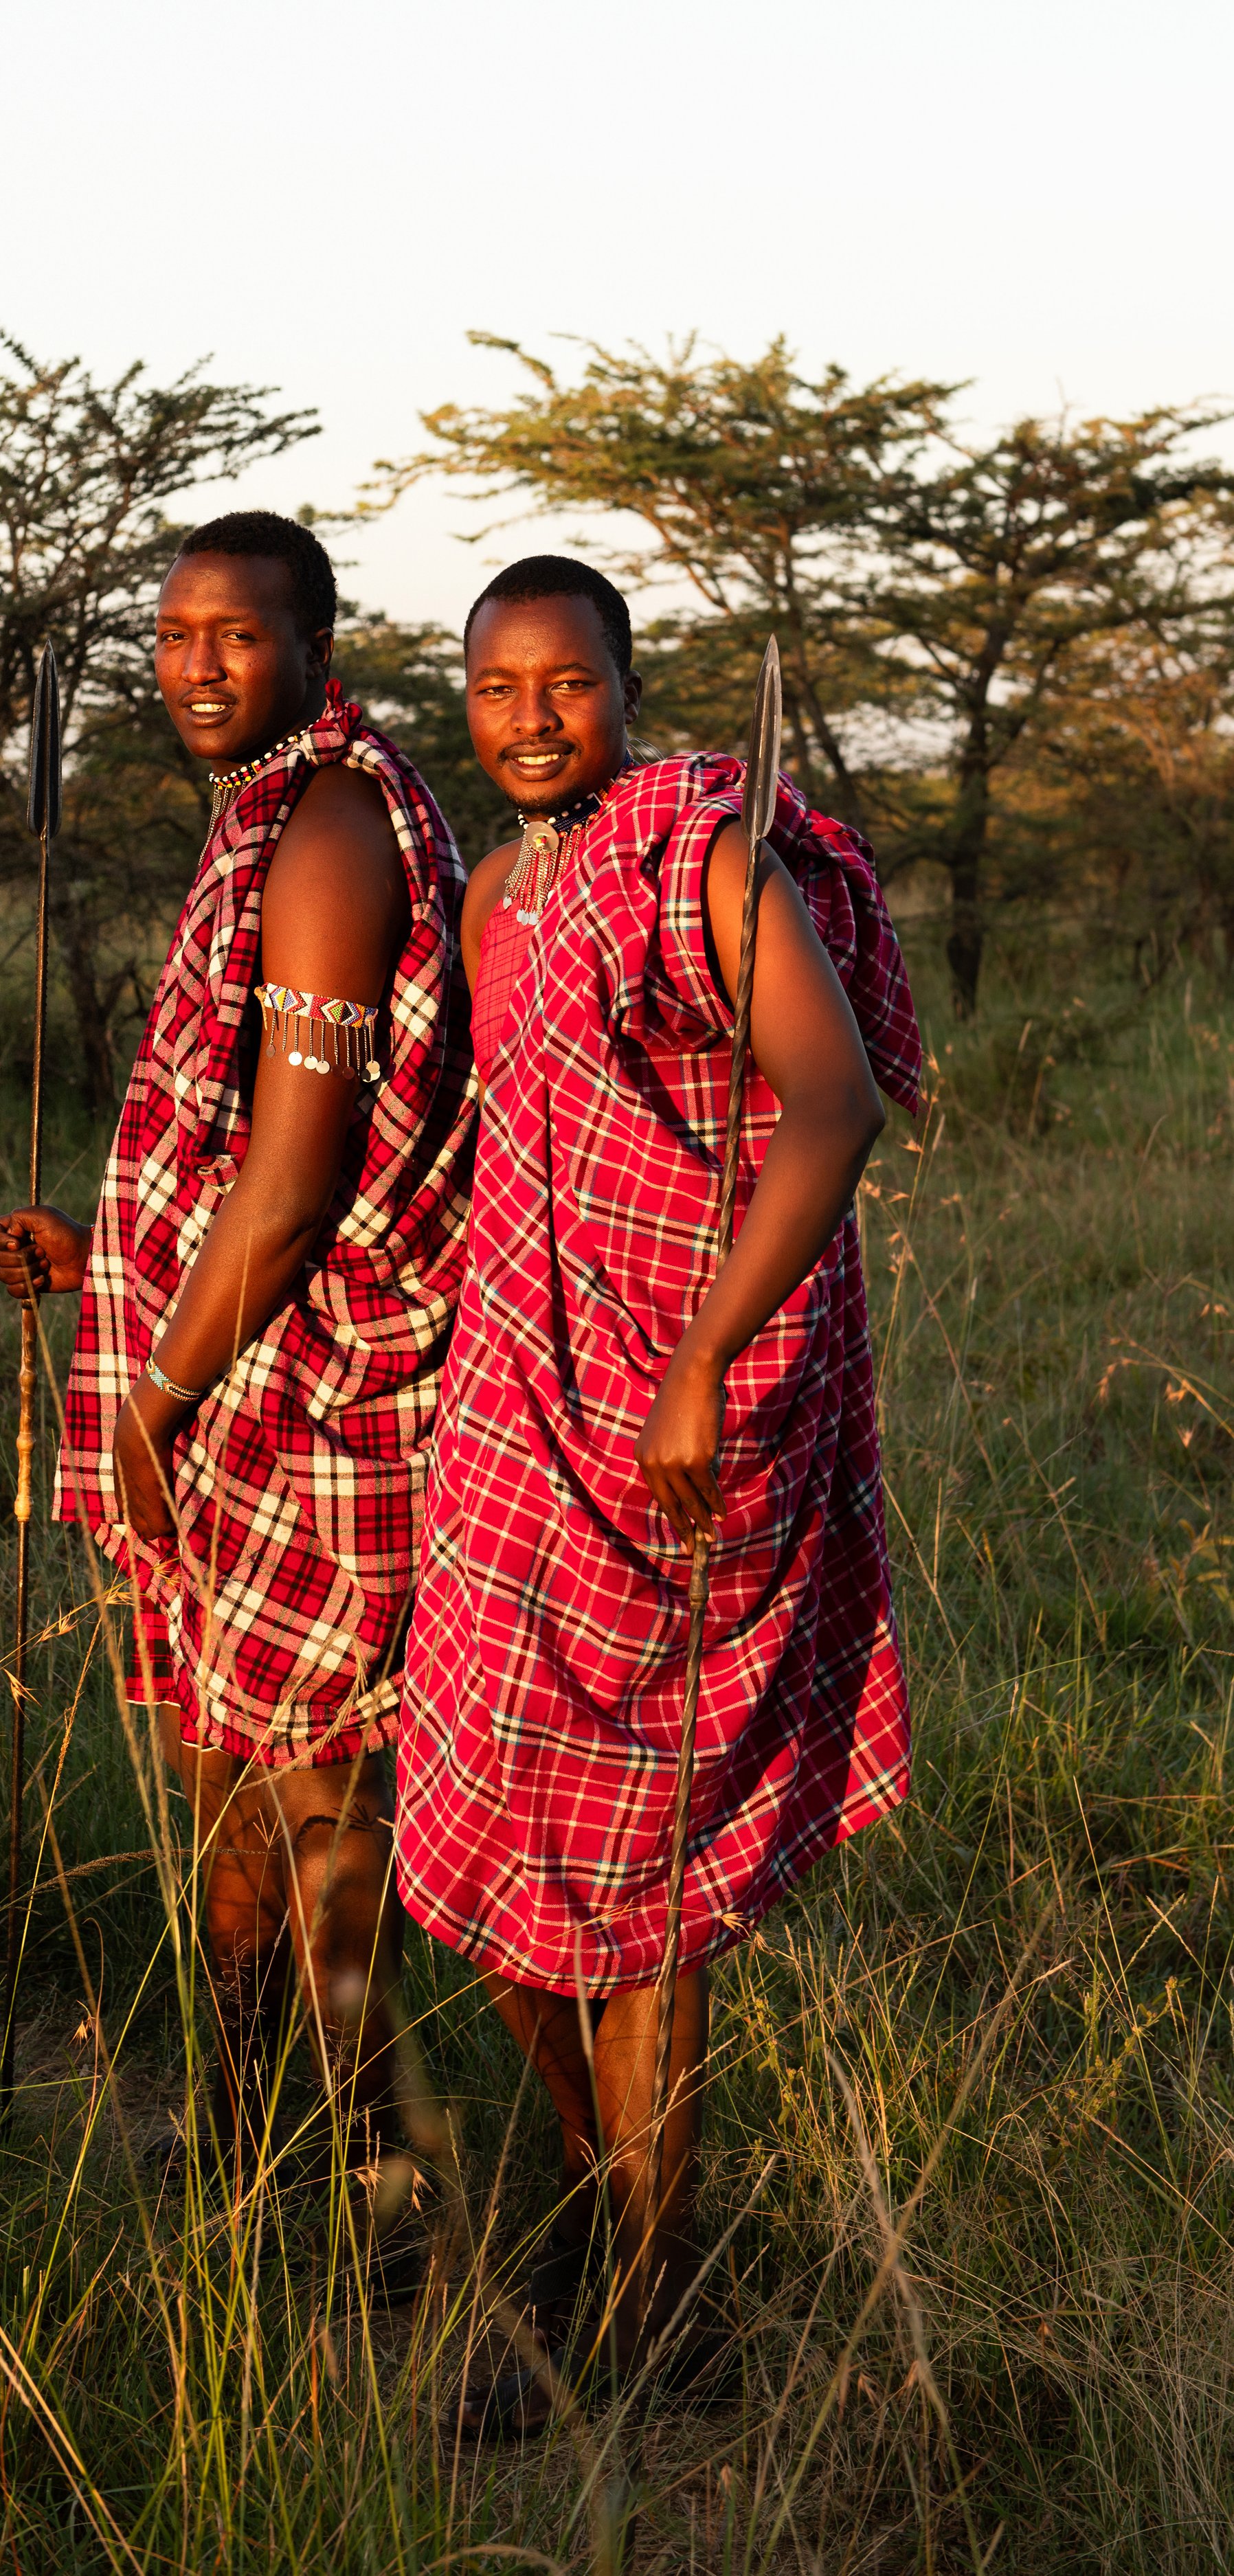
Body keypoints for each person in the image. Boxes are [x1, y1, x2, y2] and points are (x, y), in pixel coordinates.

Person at [394, 557, 923, 2432]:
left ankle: (643, 2284)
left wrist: (697, 1360)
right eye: (494, 687)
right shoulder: (492, 893)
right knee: (480, 1846)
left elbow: (832, 1103)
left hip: (690, 1414)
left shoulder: (703, 858)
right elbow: (503, 1140)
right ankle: (605, 2187)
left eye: (567, 684)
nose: (531, 717)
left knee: (643, 1880)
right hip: (517, 1413)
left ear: (628, 686)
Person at [0, 512, 476, 2232]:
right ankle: (249, 2138)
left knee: (318, 1815)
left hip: (316, 1400)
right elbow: (232, 1148)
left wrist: (154, 1392)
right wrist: (106, 1251)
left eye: (238, 636)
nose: (198, 664)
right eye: (175, 634)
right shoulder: (267, 813)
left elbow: (297, 1184)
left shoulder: (334, 828)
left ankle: (376, 2203)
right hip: (231, 1373)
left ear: (313, 650)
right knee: (231, 1808)